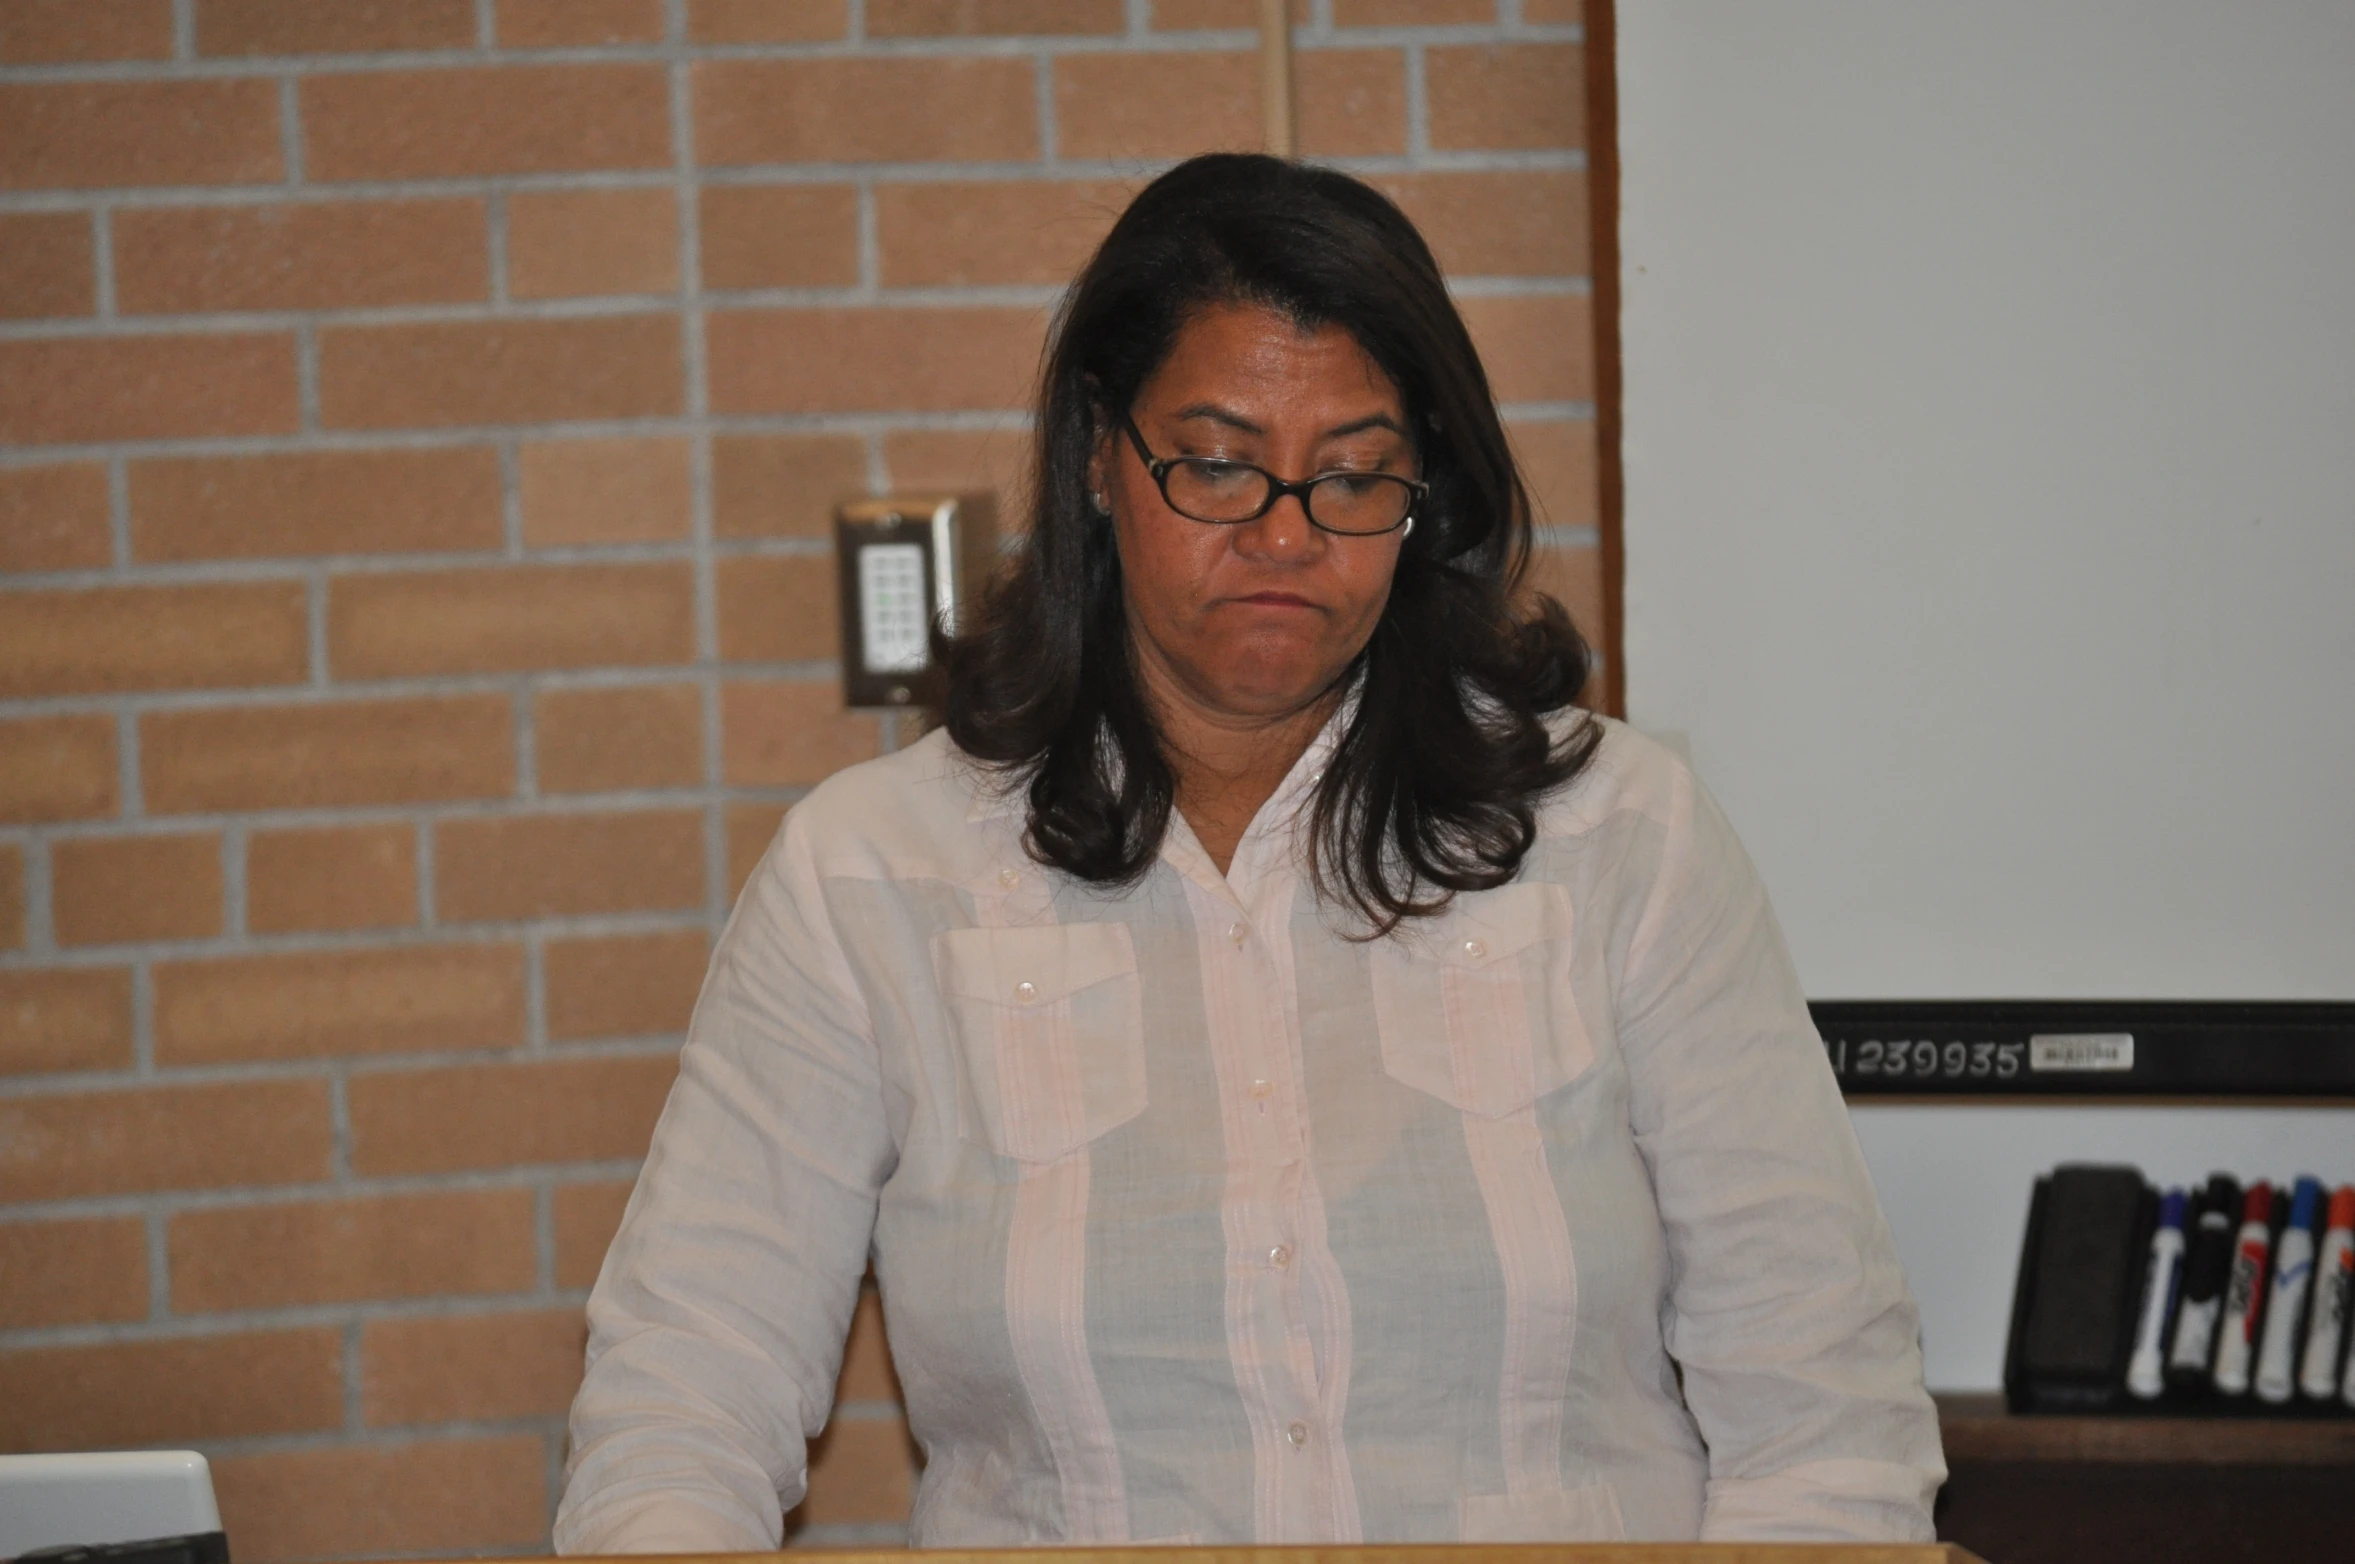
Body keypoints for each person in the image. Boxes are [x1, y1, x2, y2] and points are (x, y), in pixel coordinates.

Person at [553, 153, 1944, 1551]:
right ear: (1101, 452)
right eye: (1217, 465)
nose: (1284, 536)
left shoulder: (1618, 840)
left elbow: (1819, 1404)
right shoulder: (872, 877)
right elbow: (684, 1396)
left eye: (1351, 477)